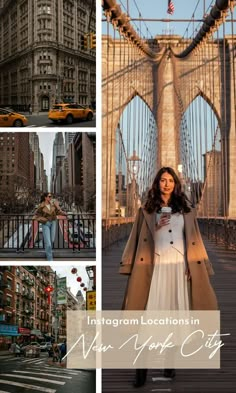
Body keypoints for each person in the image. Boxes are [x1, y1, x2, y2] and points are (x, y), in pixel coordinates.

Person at [119, 167, 218, 388]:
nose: (166, 184)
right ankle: (141, 371)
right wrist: (155, 227)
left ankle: (169, 364)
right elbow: (136, 238)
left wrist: (195, 266)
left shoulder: (186, 209)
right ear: (157, 183)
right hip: (154, 267)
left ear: (176, 184)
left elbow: (195, 240)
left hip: (179, 268)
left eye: (170, 180)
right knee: (147, 317)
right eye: (163, 180)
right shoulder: (146, 210)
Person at [33, 193, 67, 261]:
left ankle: (47, 250)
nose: (51, 197)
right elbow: (36, 216)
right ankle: (50, 259)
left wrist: (65, 213)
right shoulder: (41, 206)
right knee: (48, 243)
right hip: (45, 224)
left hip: (53, 222)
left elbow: (58, 212)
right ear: (45, 198)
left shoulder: (53, 204)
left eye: (51, 196)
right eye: (49, 196)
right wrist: (44, 220)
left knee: (51, 240)